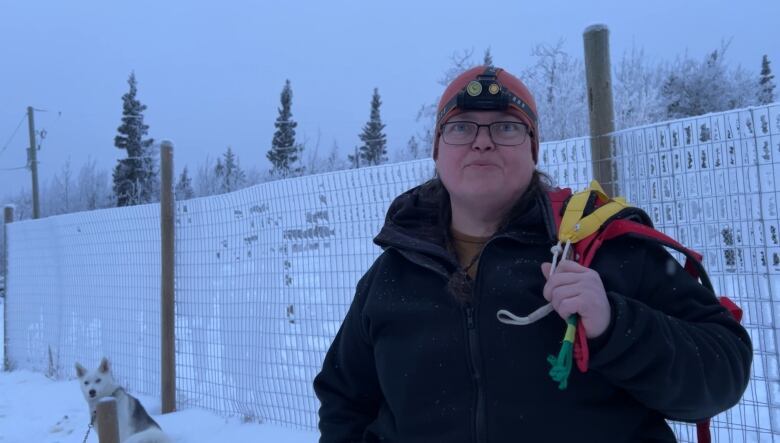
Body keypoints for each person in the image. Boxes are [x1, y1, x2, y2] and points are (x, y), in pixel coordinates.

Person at [313, 66, 752, 442]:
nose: (481, 142)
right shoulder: (393, 274)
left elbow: (722, 373)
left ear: (533, 148)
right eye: (461, 126)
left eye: (506, 126)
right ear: (437, 150)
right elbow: (344, 402)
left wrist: (615, 325)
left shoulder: (601, 249)